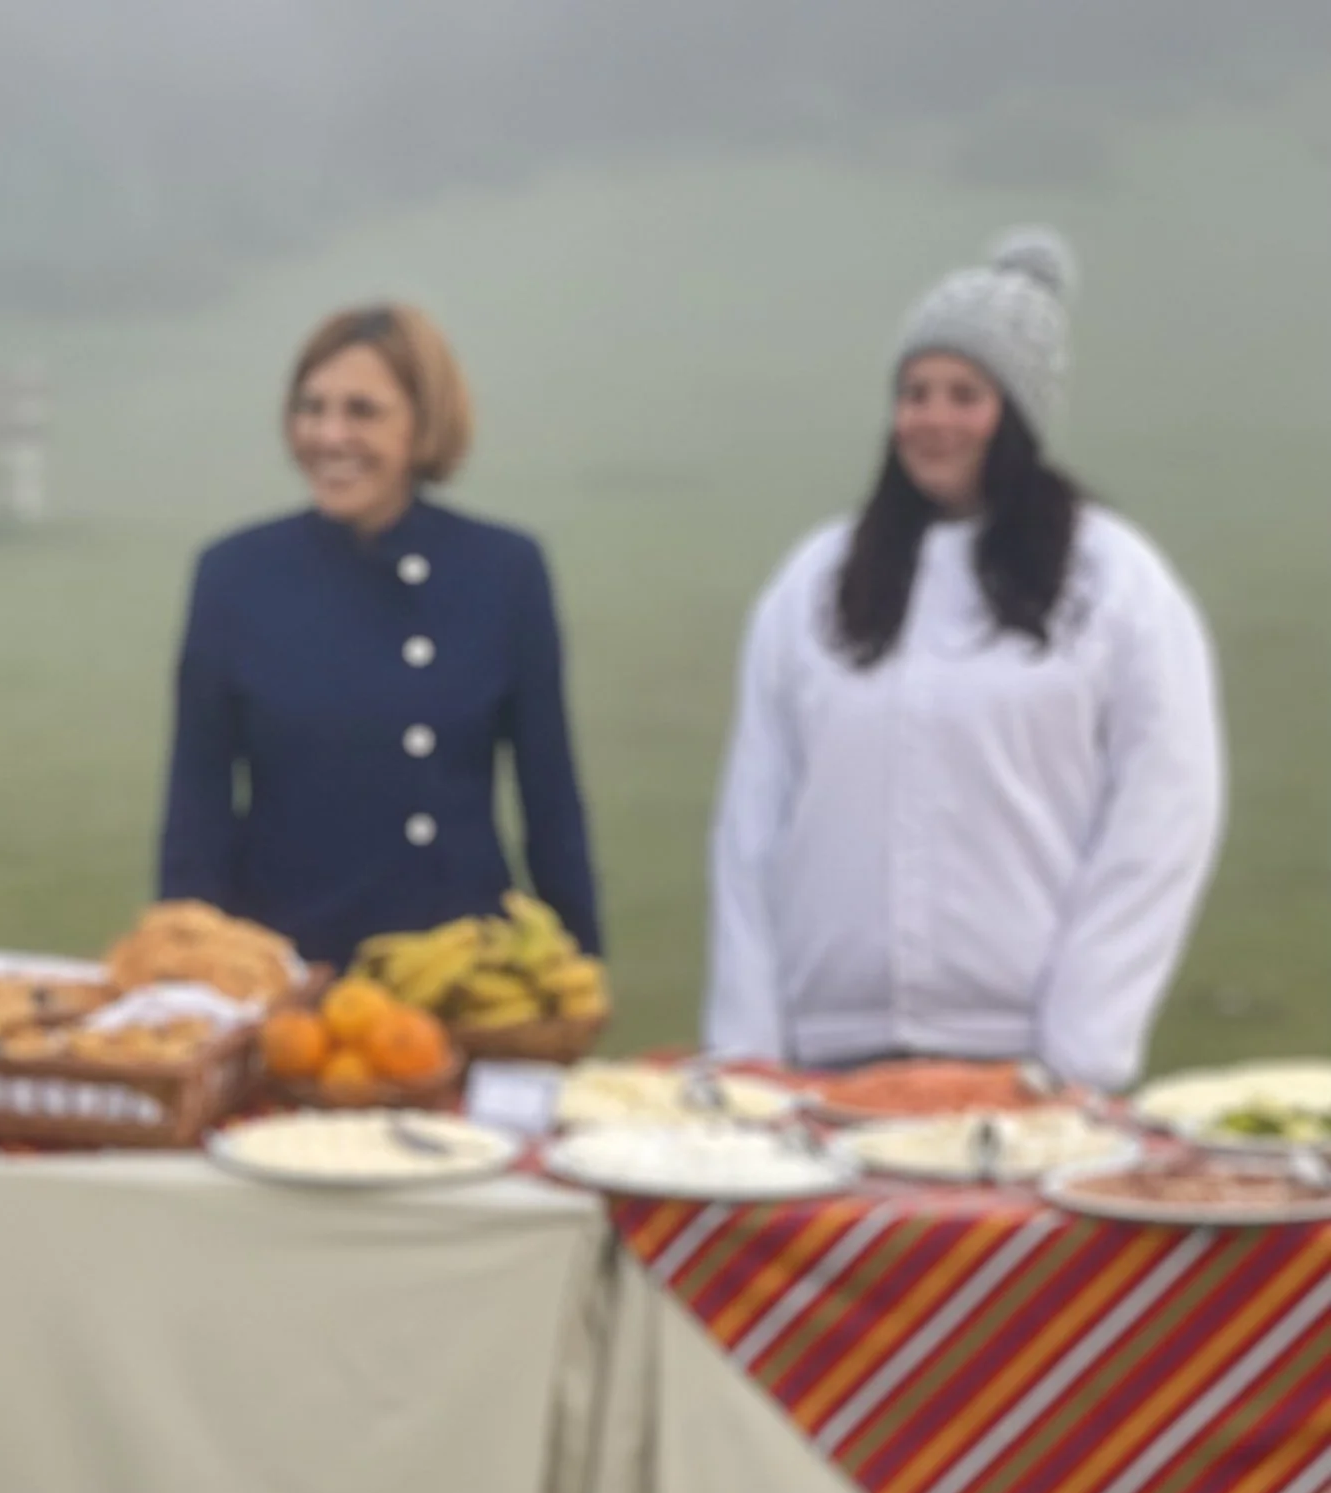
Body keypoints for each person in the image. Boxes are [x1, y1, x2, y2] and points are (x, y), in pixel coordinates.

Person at [704, 232, 1223, 1092]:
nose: (931, 419)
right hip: (828, 1054)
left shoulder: (1113, 581)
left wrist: (1079, 1047)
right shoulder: (816, 584)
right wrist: (748, 1054)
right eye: (913, 393)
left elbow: (1165, 809)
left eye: (964, 395)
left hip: (1024, 1060)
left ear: (1016, 416)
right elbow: (753, 825)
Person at [156, 302, 600, 973]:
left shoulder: (504, 572)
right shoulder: (234, 576)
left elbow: (551, 803)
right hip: (289, 982)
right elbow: (197, 815)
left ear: (424, 423)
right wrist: (181, 980)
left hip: (460, 975)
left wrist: (577, 973)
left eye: (362, 411)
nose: (329, 436)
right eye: (311, 408)